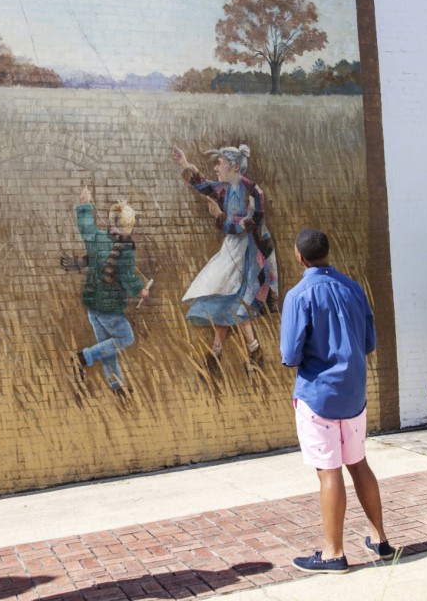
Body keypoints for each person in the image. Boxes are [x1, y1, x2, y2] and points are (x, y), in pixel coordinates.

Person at [280, 228, 394, 574]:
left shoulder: (299, 295)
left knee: (329, 473)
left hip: (318, 395)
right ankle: (380, 539)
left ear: (300, 257)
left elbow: (289, 353)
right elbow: (369, 341)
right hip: (354, 393)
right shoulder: (354, 288)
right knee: (359, 463)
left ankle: (333, 553)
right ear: (329, 252)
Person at [171, 143, 278, 370]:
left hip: (250, 256)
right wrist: (184, 163)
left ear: (235, 166)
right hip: (232, 251)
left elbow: (251, 224)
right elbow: (206, 186)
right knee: (226, 299)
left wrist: (220, 217)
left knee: (230, 299)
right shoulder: (226, 188)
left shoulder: (253, 193)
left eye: (219, 163)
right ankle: (243, 352)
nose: (215, 168)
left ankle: (219, 356)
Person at [72, 186, 149, 394]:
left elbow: (86, 227)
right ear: (126, 225)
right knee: (125, 338)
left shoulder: (97, 239)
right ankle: (83, 357)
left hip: (92, 306)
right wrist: (140, 290)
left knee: (108, 348)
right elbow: (126, 277)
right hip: (110, 308)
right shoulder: (125, 248)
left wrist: (86, 205)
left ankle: (117, 387)